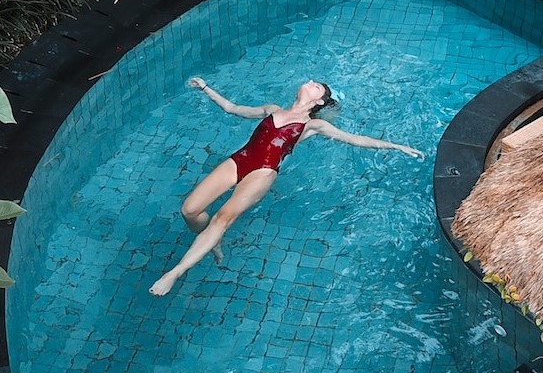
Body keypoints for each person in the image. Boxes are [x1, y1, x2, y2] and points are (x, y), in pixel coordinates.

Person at [149, 77, 424, 296]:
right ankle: (211, 241)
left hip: (263, 172)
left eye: (317, 86)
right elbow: (233, 108)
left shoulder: (313, 125)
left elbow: (356, 139)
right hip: (240, 159)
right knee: (190, 210)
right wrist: (205, 88)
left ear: (319, 101)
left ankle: (175, 272)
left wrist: (396, 146)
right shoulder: (272, 109)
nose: (311, 82)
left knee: (221, 219)